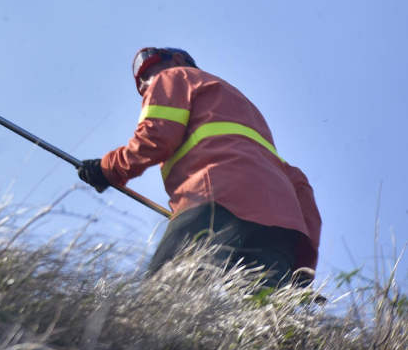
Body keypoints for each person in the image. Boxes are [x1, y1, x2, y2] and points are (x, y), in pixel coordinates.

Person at [77, 47, 321, 287]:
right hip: (280, 226)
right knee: (268, 314)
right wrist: (301, 263)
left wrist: (107, 169)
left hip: (215, 199)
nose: (144, 84)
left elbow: (156, 138)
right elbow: (299, 185)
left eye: (149, 70)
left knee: (164, 297)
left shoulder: (175, 77)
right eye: (140, 82)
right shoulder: (244, 111)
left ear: (180, 60)